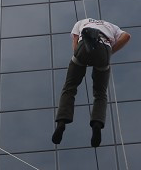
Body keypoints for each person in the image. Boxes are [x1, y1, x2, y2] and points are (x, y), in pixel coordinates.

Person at [52, 18, 131, 147]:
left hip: (84, 45)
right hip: (104, 48)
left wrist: (78, 57)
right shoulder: (113, 26)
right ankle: (97, 125)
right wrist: (110, 52)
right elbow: (126, 36)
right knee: (100, 94)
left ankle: (61, 122)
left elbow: (75, 42)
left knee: (69, 88)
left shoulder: (81, 22)